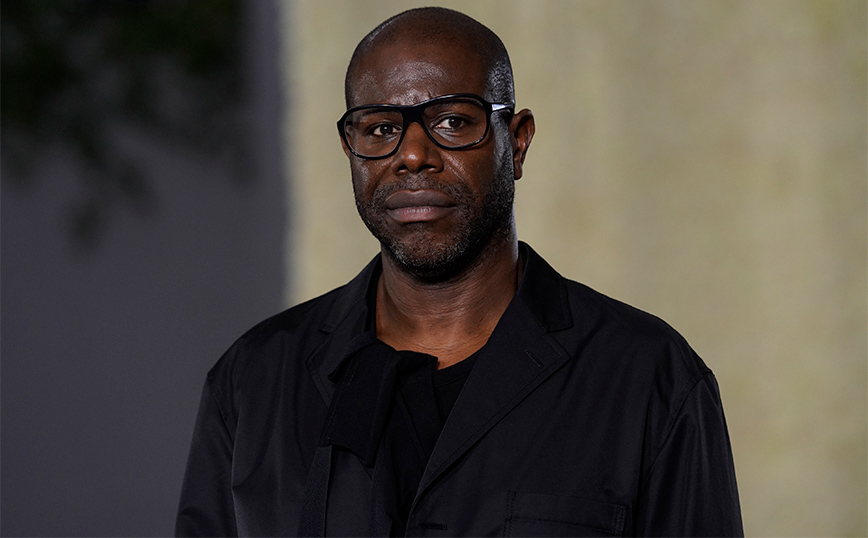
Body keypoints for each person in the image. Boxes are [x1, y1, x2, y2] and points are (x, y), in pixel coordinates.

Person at [176, 7, 743, 537]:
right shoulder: (254, 381)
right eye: (380, 129)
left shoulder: (648, 377)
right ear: (349, 149)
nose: (412, 155)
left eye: (451, 121)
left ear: (516, 142)